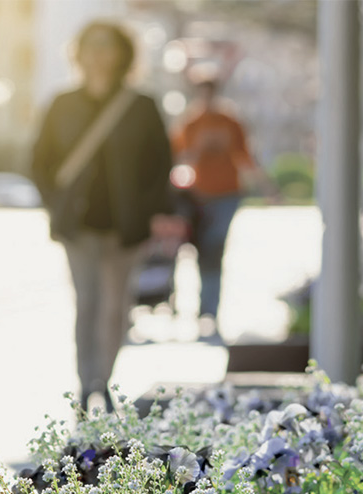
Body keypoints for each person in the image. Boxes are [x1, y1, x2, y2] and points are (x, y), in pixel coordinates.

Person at [31, 21, 174, 413]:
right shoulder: (62, 104)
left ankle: (104, 381)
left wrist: (147, 210)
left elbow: (160, 164)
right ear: (78, 53)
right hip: (78, 226)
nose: (98, 54)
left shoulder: (140, 105)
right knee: (87, 303)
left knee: (116, 307)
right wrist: (54, 203)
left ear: (121, 54)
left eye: (106, 46)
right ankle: (84, 385)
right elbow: (39, 162)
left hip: (126, 228)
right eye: (90, 46)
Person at [170, 76, 267, 340]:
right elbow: (177, 158)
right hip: (198, 196)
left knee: (215, 248)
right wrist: (197, 151)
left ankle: (209, 311)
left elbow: (246, 156)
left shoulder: (230, 122)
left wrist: (268, 188)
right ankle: (198, 308)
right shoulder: (190, 123)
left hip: (227, 195)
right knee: (200, 251)